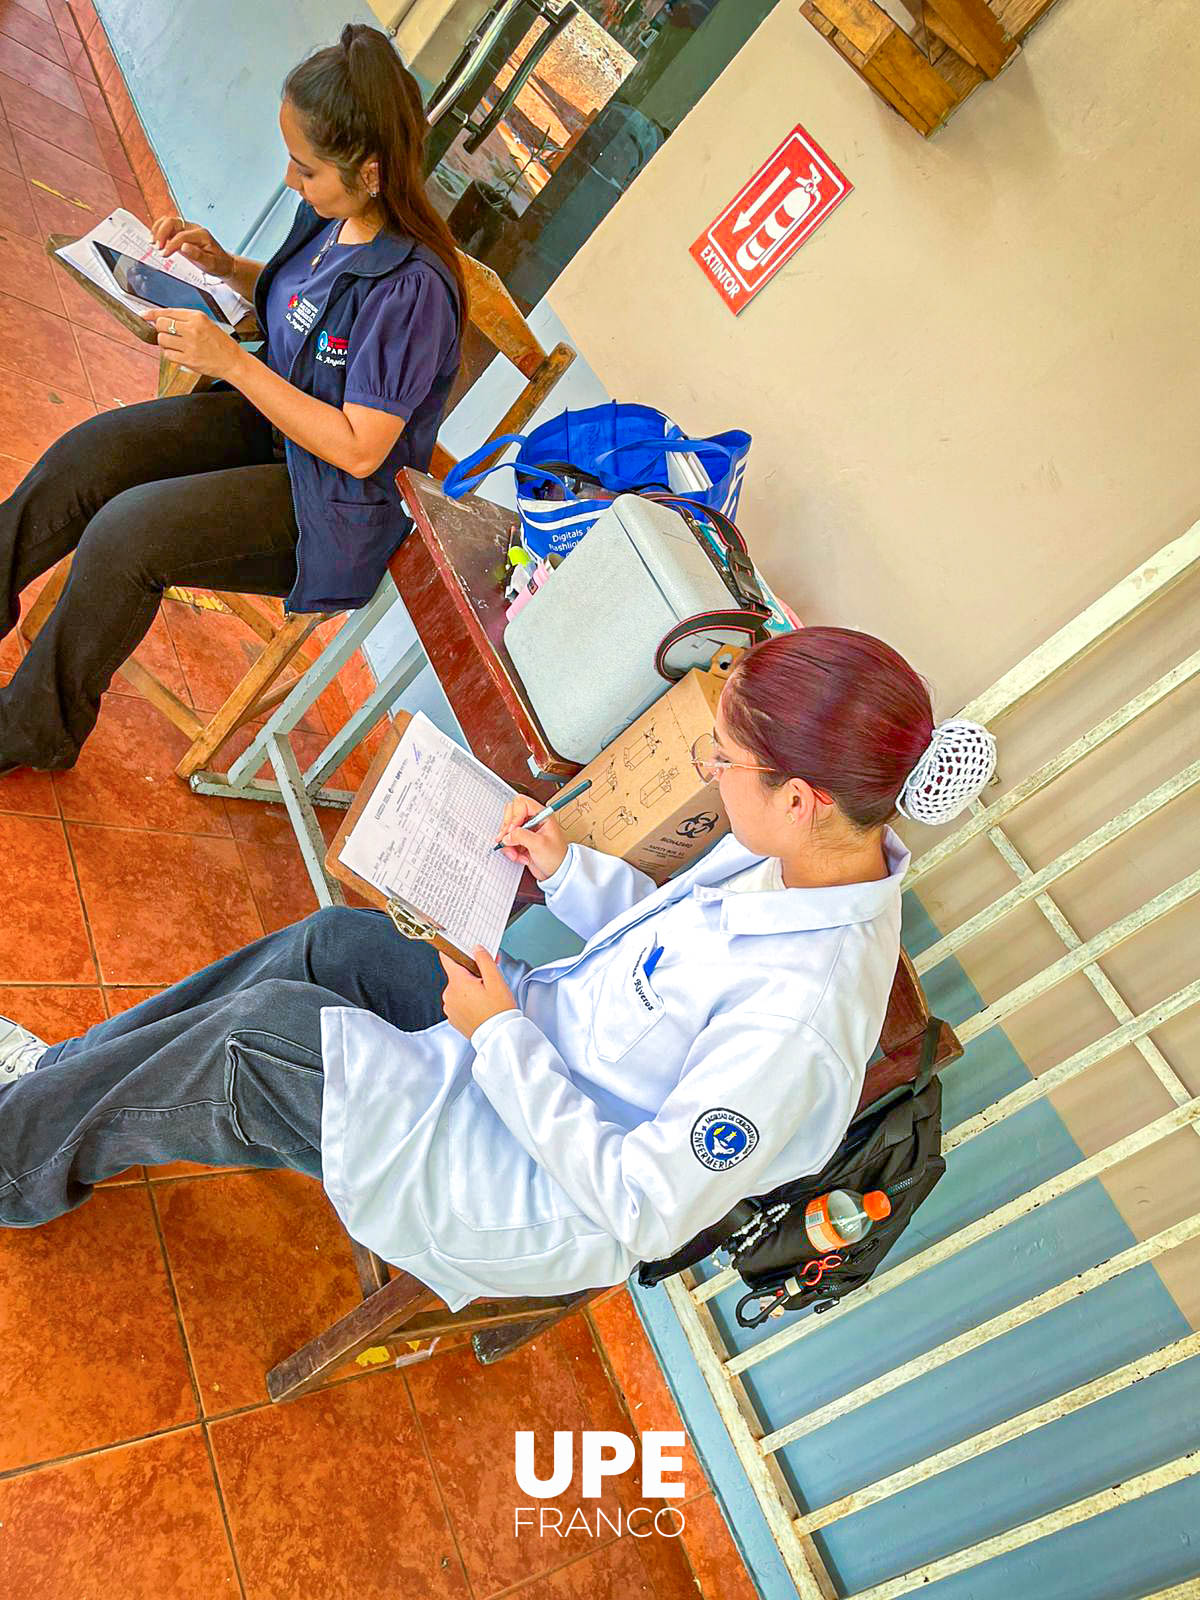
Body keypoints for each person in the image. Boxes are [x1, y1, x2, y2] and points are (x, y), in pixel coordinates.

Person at [0, 629, 996, 1309]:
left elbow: (644, 1210)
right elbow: (666, 948)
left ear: (805, 798)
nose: (712, 768)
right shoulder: (797, 857)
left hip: (530, 1180)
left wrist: (499, 1038)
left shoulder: (804, 1022)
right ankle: (54, 1080)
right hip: (530, 1050)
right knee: (330, 946)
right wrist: (567, 870)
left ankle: (15, 1160)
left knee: (255, 1043)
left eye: (723, 759)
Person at [0, 24, 464, 777]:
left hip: (328, 504)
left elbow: (358, 447)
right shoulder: (330, 213)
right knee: (93, 454)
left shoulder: (414, 293)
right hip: (271, 423)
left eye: (306, 168)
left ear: (372, 171)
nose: (291, 181)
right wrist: (227, 267)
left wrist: (233, 366)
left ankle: (34, 726)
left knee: (126, 535)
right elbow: (299, 309)